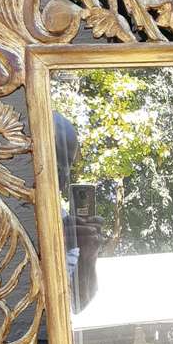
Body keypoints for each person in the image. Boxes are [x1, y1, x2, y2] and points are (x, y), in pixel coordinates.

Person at [53, 111, 103, 310]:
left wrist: (87, 256)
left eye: (68, 164)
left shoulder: (63, 220)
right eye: (57, 163)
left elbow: (77, 305)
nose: (64, 173)